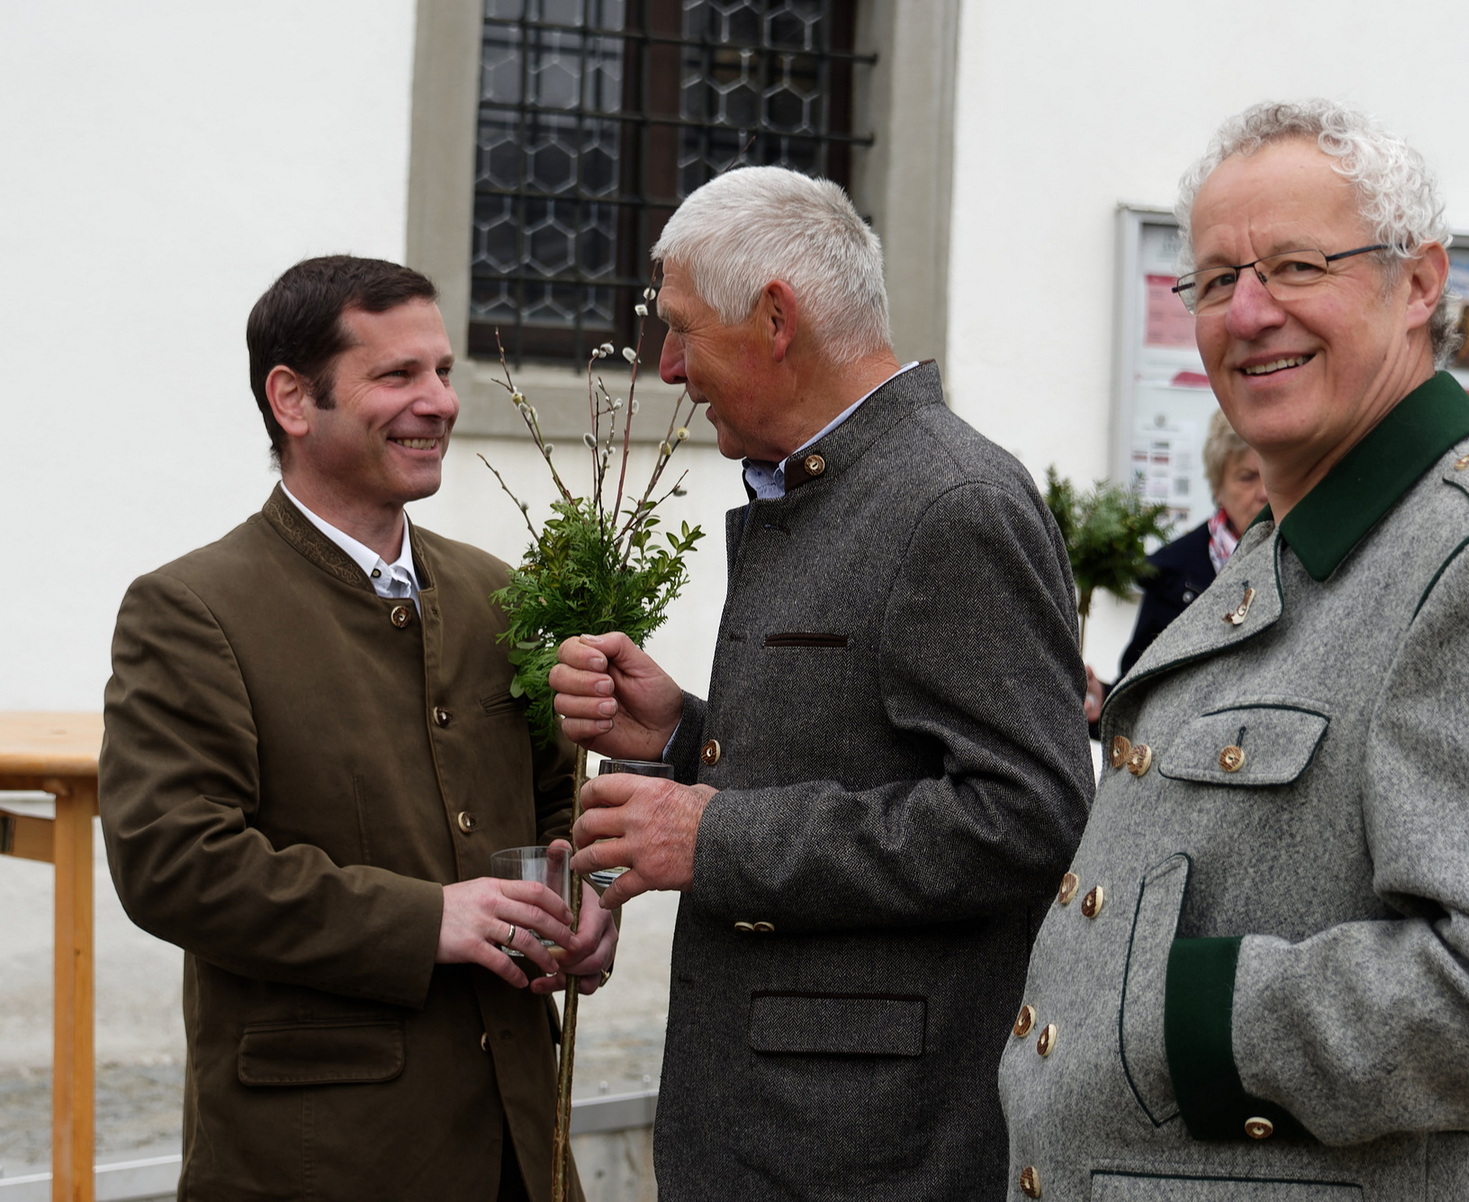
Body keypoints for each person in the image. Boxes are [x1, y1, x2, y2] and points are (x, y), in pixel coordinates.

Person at [1000, 100, 1469, 1200]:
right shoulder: (1293, 543)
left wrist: (1197, 1017)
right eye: (1215, 279)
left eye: (1297, 266)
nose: (1249, 313)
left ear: (1420, 283)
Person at [546, 166, 1093, 1200]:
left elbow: (1031, 816)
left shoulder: (952, 502)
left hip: (869, 1150)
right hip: (782, 1131)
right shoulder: (829, 481)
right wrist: (678, 734)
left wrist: (716, 838)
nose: (669, 367)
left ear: (775, 318)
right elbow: (863, 754)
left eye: (681, 329)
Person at [100, 255, 617, 1201]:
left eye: (444, 371)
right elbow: (172, 862)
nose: (441, 401)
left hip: (519, 1146)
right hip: (320, 1158)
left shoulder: (497, 592)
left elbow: (554, 800)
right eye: (398, 374)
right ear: (293, 400)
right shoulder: (191, 609)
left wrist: (586, 901)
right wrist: (428, 919)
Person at [1083, 411, 1266, 725]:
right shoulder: (1171, 572)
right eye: (1247, 477)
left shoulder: (1307, 556)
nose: (1263, 492)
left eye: (1272, 475)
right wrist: (1103, 701)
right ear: (1218, 487)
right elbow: (1141, 690)